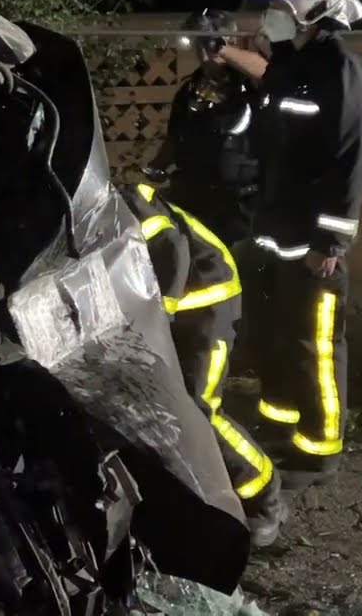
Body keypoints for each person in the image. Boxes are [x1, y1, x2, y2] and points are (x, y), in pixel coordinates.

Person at [230, 0, 362, 490]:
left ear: (310, 3)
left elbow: (352, 162)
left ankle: (320, 448)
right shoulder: (291, 68)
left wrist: (331, 243)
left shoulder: (342, 69)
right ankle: (280, 422)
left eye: (276, 7)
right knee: (275, 336)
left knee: (316, 344)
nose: (268, 17)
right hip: (274, 236)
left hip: (313, 247)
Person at [121, 181, 288, 548]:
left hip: (208, 300)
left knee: (198, 409)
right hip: (180, 308)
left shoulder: (120, 203)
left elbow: (171, 252)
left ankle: (265, 495)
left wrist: (155, 319)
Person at [145, 10, 263, 249]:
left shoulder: (248, 85)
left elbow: (267, 72)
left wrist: (221, 48)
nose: (203, 50)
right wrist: (156, 167)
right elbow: (175, 137)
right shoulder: (189, 90)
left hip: (238, 203)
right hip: (194, 197)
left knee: (235, 267)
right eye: (198, 43)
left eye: (207, 42)